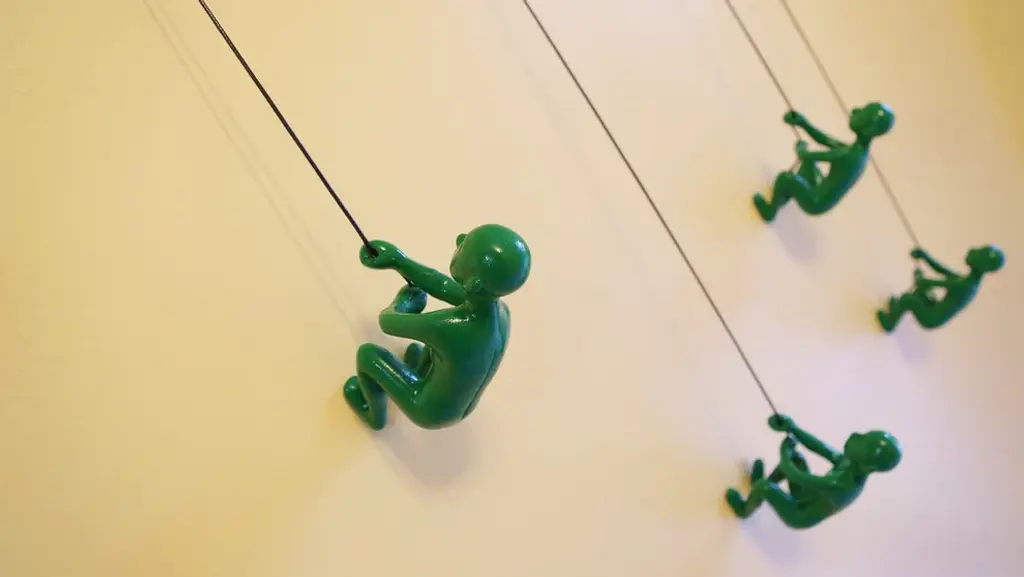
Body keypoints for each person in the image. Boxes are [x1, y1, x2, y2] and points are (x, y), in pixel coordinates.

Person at [343, 224, 531, 430]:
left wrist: (404, 303)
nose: (459, 239)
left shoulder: (449, 328)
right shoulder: (501, 312)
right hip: (461, 407)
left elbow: (388, 323)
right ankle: (415, 373)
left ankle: (374, 416)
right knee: (431, 351)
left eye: (463, 246)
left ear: (474, 282)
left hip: (427, 410)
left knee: (367, 354)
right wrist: (398, 260)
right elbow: (441, 285)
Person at [725, 414, 901, 529]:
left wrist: (785, 451)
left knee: (764, 486)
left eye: (862, 442)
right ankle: (759, 491)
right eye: (864, 435)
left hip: (799, 514)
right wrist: (792, 428)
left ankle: (744, 509)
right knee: (797, 459)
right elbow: (819, 447)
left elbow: (795, 475)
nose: (855, 435)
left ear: (868, 465)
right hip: (809, 496)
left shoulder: (843, 483)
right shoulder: (851, 464)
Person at [753, 102, 895, 222]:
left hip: (815, 201)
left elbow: (807, 155)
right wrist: (803, 123)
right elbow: (825, 140)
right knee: (808, 166)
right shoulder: (859, 151)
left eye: (862, 114)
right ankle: (786, 193)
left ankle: (770, 212)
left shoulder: (850, 155)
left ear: (869, 128)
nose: (855, 110)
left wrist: (802, 148)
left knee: (785, 178)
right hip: (821, 189)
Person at [877, 244, 1004, 332]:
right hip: (934, 308)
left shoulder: (966, 286)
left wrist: (920, 278)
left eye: (978, 253)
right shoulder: (968, 281)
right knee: (919, 293)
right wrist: (925, 257)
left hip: (931, 318)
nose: (973, 250)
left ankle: (890, 323)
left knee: (908, 300)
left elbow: (931, 283)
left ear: (982, 264)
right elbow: (941, 270)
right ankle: (896, 309)